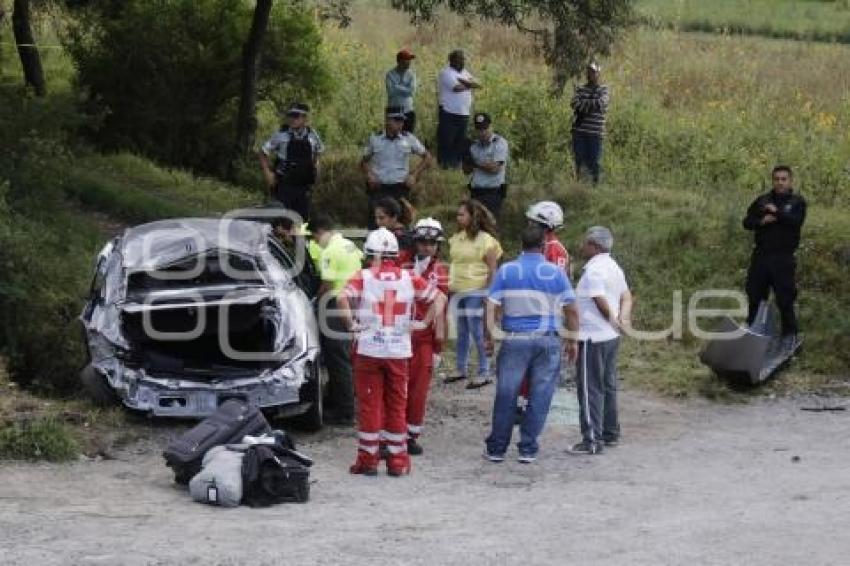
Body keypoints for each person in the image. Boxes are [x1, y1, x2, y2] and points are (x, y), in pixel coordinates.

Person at [337, 228, 446, 477]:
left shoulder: (363, 276)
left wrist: (351, 324)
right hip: (399, 351)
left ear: (370, 254)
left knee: (370, 405)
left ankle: (368, 460)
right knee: (398, 405)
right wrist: (423, 322)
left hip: (369, 350)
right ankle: (398, 461)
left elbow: (342, 299)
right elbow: (439, 299)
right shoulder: (409, 277)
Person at [483, 225, 579, 463]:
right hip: (547, 339)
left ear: (521, 244)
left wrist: (489, 336)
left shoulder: (506, 271)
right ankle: (528, 447)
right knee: (541, 394)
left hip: (515, 339)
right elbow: (572, 309)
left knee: (507, 394)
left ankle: (497, 448)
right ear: (543, 245)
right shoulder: (555, 273)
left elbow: (491, 305)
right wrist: (572, 339)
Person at [568, 226, 633, 455]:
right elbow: (626, 295)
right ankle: (610, 432)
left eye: (585, 243)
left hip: (592, 337)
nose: (582, 246)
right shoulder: (613, 266)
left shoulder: (594, 270)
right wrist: (622, 320)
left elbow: (598, 299)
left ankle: (592, 440)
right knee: (608, 385)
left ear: (594, 246)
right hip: (610, 337)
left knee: (589, 388)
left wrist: (613, 318)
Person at [742, 165, 807, 351]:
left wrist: (777, 212)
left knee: (784, 298)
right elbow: (747, 222)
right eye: (777, 179)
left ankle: (789, 336)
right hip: (761, 256)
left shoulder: (797, 202)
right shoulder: (762, 201)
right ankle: (754, 334)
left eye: (783, 179)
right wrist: (762, 221)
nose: (780, 182)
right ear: (773, 180)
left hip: (783, 258)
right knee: (755, 295)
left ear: (790, 181)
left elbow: (796, 222)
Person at [516, 201, 571, 416]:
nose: (529, 224)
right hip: (542, 313)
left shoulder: (550, 249)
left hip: (540, 314)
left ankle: (530, 405)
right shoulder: (553, 248)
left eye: (533, 221)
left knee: (534, 365)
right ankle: (525, 403)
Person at [311, 214, 363, 425]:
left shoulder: (330, 251)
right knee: (344, 357)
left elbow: (328, 285)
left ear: (320, 232)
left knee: (337, 359)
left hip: (336, 306)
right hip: (353, 302)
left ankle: (345, 412)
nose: (315, 243)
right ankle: (340, 403)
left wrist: (313, 301)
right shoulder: (349, 244)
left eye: (314, 238)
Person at [445, 199, 502, 388]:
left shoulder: (487, 241)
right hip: (457, 290)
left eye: (462, 214)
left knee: (477, 330)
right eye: (458, 214)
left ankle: (484, 371)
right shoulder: (457, 237)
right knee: (461, 331)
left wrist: (489, 292)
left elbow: (493, 269)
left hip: (476, 290)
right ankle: (461, 368)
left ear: (472, 216)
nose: (458, 217)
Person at [406, 218, 450, 456]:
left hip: (424, 338)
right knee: (396, 387)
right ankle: (392, 432)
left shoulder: (439, 271)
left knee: (419, 390)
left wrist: (438, 347)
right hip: (400, 336)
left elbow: (442, 309)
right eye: (422, 242)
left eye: (432, 243)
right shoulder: (402, 266)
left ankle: (411, 435)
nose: (427, 247)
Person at [361, 107, 433, 229]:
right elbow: (363, 162)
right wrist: (370, 175)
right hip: (380, 188)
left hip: (400, 188)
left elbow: (427, 157)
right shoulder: (375, 139)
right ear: (387, 120)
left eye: (402, 121)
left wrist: (414, 175)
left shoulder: (408, 138)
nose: (400, 124)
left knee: (402, 225)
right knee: (376, 225)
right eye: (396, 120)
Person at [259, 102, 325, 221]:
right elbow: (263, 152)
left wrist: (316, 165)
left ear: (305, 118)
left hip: (304, 186)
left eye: (296, 116)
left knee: (302, 221)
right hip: (284, 185)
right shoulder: (281, 135)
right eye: (291, 116)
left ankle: (298, 239)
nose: (293, 119)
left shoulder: (312, 135)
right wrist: (268, 173)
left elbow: (319, 151)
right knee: (282, 221)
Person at [437, 49, 481, 169]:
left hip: (463, 113)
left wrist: (468, 83)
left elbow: (477, 83)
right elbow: (456, 88)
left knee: (459, 141)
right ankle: (444, 165)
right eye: (459, 59)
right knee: (446, 140)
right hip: (448, 112)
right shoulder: (446, 73)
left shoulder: (465, 73)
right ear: (451, 60)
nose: (462, 61)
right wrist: (470, 85)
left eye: (463, 59)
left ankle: (455, 165)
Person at [463, 112, 509, 220]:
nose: (482, 132)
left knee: (490, 226)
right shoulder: (474, 146)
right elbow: (466, 171)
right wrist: (465, 157)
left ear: (491, 126)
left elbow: (494, 168)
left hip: (492, 194)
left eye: (485, 128)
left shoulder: (499, 143)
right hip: (475, 193)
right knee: (474, 227)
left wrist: (475, 163)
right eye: (479, 129)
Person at [570, 62, 609, 184]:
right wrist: (591, 104)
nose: (590, 74)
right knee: (579, 161)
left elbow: (602, 103)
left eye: (593, 72)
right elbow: (574, 104)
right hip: (579, 132)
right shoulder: (580, 89)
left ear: (598, 74)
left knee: (593, 162)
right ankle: (579, 187)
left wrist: (584, 104)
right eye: (589, 71)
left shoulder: (604, 89)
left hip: (595, 133)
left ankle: (593, 187)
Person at [373, 196, 416, 268]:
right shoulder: (379, 235)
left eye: (381, 218)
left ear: (394, 217)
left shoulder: (406, 238)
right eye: (376, 218)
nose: (377, 222)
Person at [386, 48, 418, 133]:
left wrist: (397, 86)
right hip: (393, 110)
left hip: (408, 110)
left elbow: (411, 92)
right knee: (393, 137)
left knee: (408, 137)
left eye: (410, 60)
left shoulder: (411, 75)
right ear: (399, 61)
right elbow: (391, 92)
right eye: (407, 60)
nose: (409, 62)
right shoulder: (390, 74)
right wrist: (405, 88)